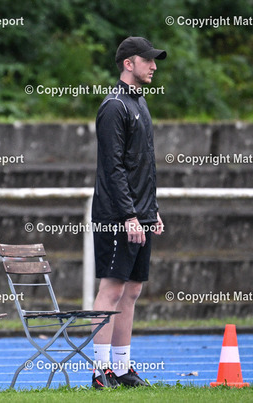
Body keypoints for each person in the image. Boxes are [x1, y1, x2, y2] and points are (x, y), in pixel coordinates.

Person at [91, 36, 166, 389]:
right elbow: (114, 168)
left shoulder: (140, 102)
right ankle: (100, 371)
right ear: (128, 63)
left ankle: (121, 368)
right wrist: (129, 216)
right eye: (147, 60)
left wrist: (151, 210)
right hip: (117, 216)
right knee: (112, 289)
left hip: (139, 213)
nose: (154, 66)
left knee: (132, 290)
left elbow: (144, 166)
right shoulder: (114, 106)